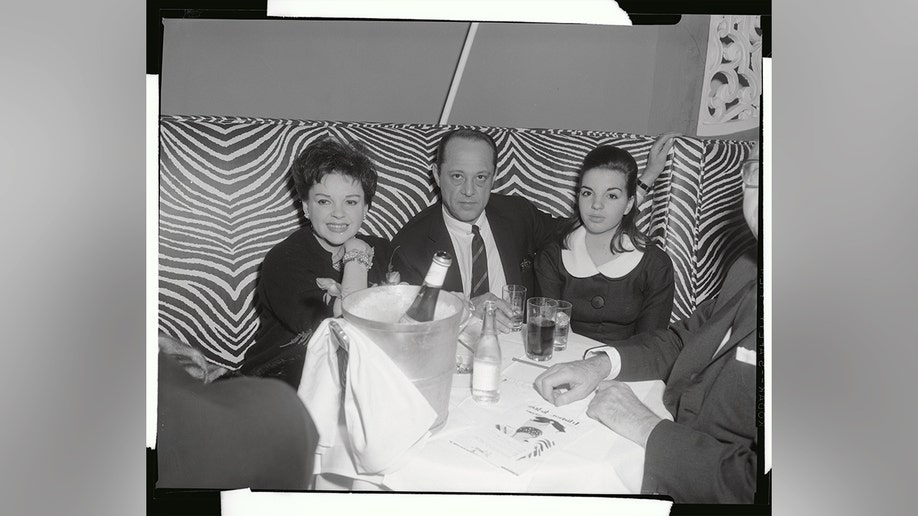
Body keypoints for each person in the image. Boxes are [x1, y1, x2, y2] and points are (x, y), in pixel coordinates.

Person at [533, 142, 761, 504]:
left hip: (678, 460)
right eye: (759, 172)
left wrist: (647, 427)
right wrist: (599, 363)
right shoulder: (748, 270)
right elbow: (678, 340)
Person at [392, 129, 677, 331]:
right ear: (436, 175)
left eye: (481, 177)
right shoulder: (411, 244)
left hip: (527, 353)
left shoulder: (515, 214)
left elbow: (588, 221)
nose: (469, 191)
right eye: (457, 176)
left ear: (494, 176)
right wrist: (466, 307)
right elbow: (409, 324)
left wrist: (644, 181)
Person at [238, 137, 393, 389]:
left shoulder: (384, 251)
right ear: (306, 207)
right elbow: (346, 329)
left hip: (356, 378)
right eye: (324, 201)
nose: (338, 213)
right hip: (279, 379)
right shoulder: (284, 260)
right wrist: (356, 256)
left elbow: (411, 315)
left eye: (351, 202)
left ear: (366, 208)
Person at [534, 145, 674, 343]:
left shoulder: (655, 265)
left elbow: (650, 346)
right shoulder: (553, 255)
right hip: (562, 365)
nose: (596, 205)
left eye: (611, 195)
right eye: (587, 193)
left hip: (629, 369)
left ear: (628, 204)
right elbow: (549, 336)